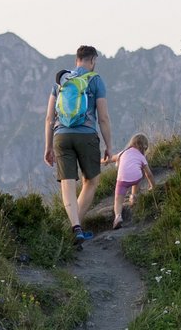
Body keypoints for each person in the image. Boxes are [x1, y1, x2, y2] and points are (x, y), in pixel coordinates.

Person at [43, 45, 111, 241]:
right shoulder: (95, 80)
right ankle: (74, 229)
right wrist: (109, 146)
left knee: (67, 183)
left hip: (61, 136)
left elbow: (49, 118)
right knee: (92, 180)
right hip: (86, 135)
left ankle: (74, 228)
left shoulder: (60, 81)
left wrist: (48, 147)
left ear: (76, 60)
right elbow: (104, 117)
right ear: (92, 61)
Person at [102, 133, 155, 229]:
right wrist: (153, 186)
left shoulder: (122, 153)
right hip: (136, 177)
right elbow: (149, 174)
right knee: (138, 173)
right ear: (144, 147)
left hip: (122, 180)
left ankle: (118, 216)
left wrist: (100, 161)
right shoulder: (141, 157)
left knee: (118, 199)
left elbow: (109, 159)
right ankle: (133, 196)